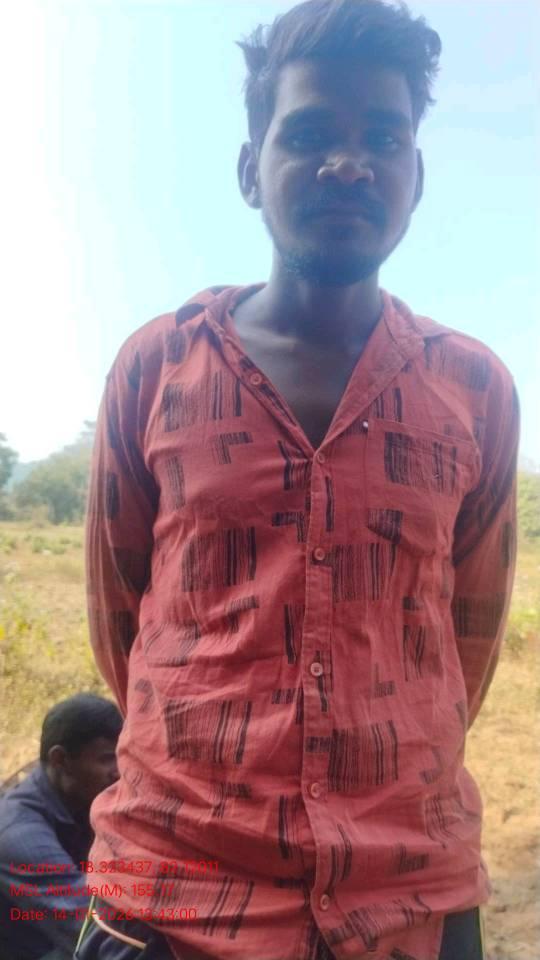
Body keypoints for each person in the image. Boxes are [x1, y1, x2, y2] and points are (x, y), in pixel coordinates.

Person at [79, 1, 519, 958]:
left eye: (384, 138)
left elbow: (468, 633)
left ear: (415, 177)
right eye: (310, 134)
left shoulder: (476, 389)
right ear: (250, 170)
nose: (348, 163)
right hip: (174, 895)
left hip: (410, 899)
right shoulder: (157, 368)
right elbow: (122, 616)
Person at [0, 693, 121, 960]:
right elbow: (91, 929)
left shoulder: (83, 795)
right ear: (60, 760)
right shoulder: (18, 832)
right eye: (106, 759)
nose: (119, 771)